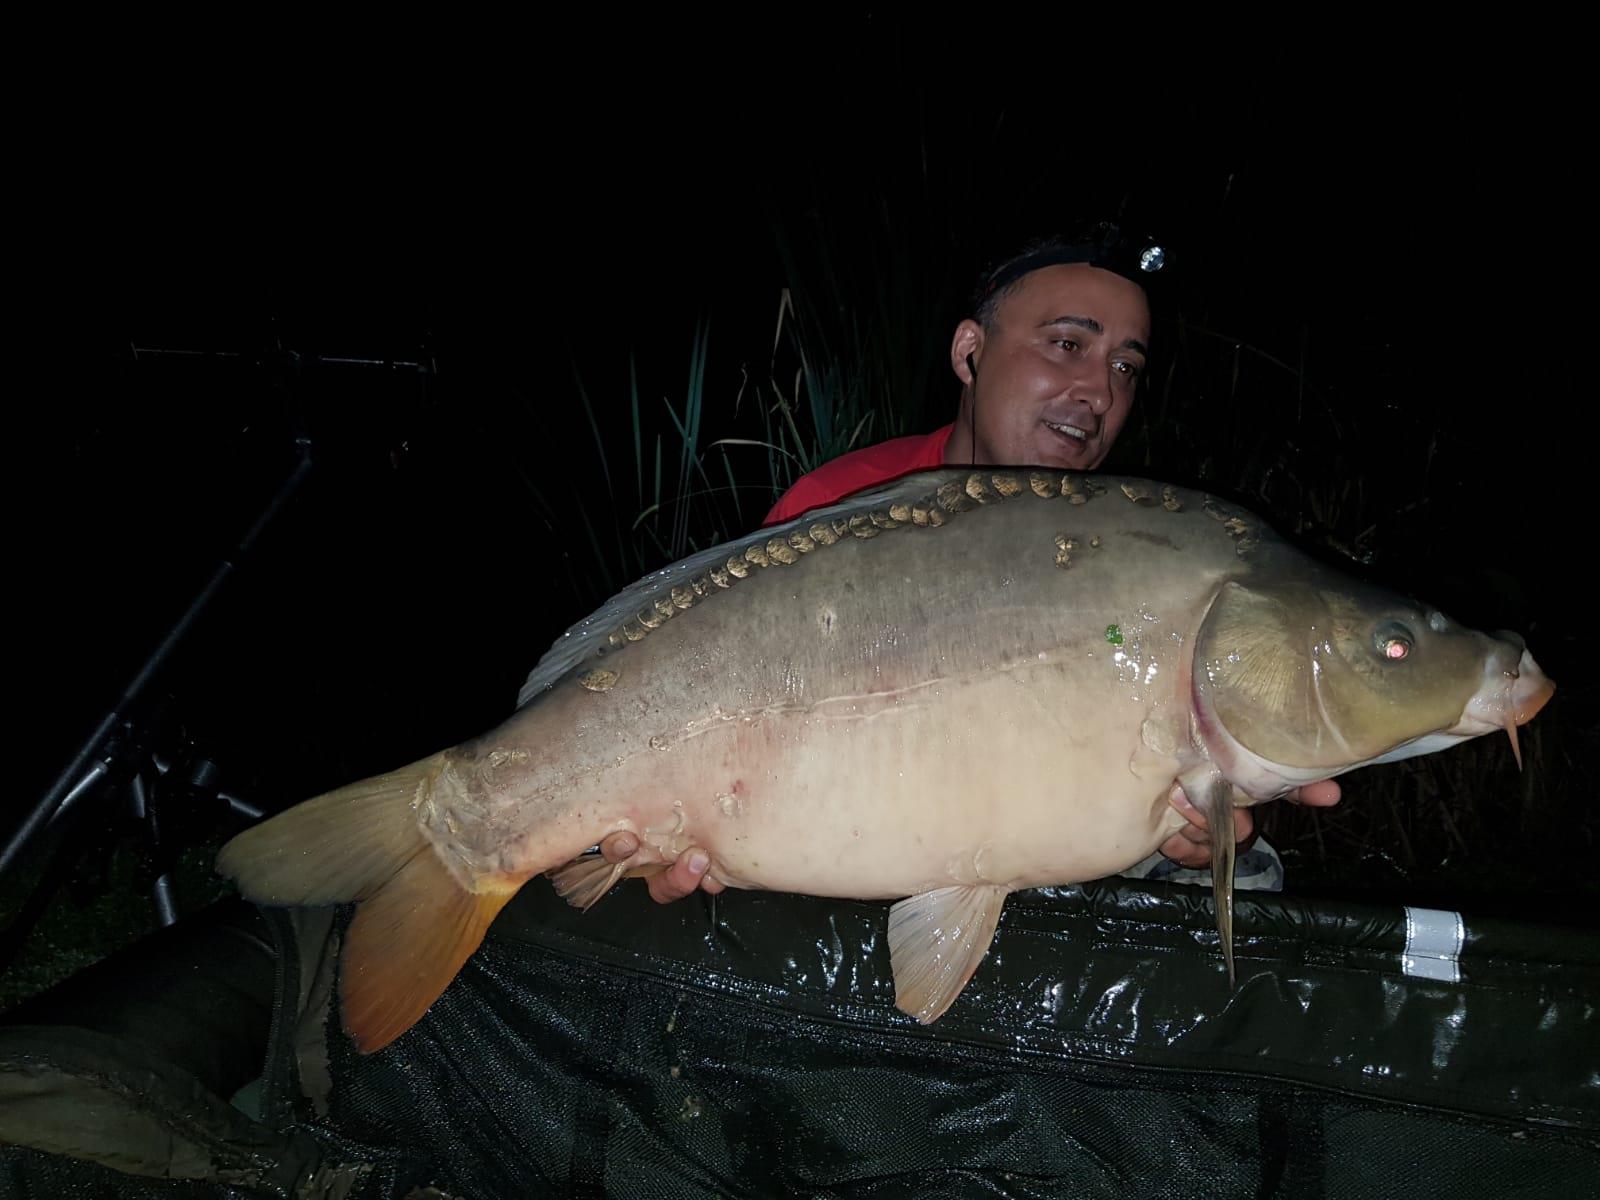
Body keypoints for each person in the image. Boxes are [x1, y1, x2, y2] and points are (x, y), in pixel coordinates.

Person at [601, 226, 1341, 902]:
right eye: (1067, 345)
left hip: (1033, 830)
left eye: (1125, 366)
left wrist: (1192, 828)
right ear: (969, 353)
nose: (1100, 392)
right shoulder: (837, 508)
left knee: (1247, 877)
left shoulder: (1134, 550)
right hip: (845, 828)